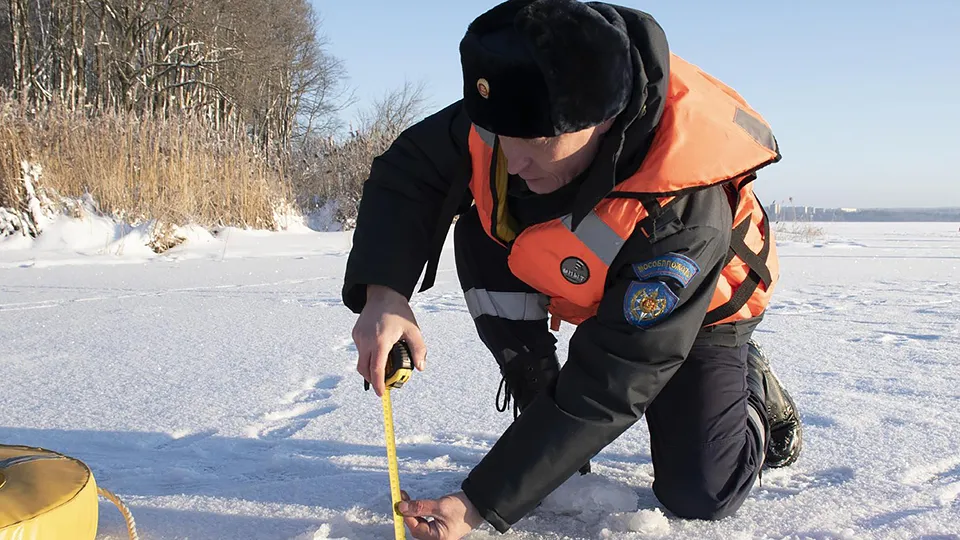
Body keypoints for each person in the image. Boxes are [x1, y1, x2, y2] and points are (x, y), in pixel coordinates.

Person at [341, 1, 803, 538]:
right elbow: (410, 170)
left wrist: (479, 504)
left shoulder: (683, 212)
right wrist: (385, 292)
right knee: (484, 225)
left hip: (700, 310)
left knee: (699, 492)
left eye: (538, 143)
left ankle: (750, 394)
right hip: (577, 270)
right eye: (502, 135)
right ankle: (537, 395)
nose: (513, 161)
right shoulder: (514, 109)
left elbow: (613, 379)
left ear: (602, 118)